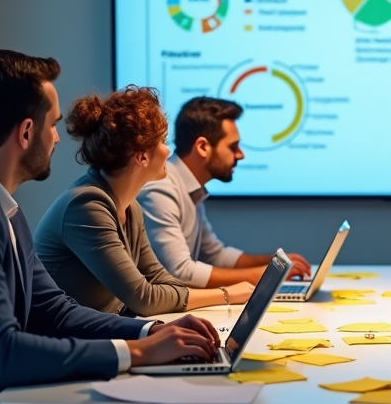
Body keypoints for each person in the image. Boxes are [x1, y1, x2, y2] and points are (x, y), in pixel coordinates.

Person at [0, 51, 221, 404]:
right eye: (53, 124)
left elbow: (55, 312)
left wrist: (150, 331)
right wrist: (136, 353)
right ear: (26, 132)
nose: (58, 137)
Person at [34, 87, 253, 316]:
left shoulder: (131, 208)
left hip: (102, 329)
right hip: (66, 341)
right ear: (142, 156)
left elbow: (158, 277)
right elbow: (143, 298)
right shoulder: (87, 205)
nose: (168, 151)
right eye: (162, 142)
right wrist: (226, 295)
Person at [138, 97, 310, 288]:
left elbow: (215, 255)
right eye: (232, 146)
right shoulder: (160, 189)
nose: (241, 154)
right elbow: (179, 272)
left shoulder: (190, 188)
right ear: (203, 147)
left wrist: (273, 264)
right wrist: (265, 276)